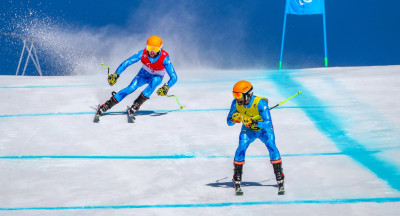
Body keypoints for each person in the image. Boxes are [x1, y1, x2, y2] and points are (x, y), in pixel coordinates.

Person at [96, 35, 177, 116]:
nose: (152, 51)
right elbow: (127, 62)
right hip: (143, 74)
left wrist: (167, 86)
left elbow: (174, 77)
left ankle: (137, 104)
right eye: (149, 48)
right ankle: (108, 104)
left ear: (160, 49)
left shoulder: (164, 58)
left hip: (157, 76)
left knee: (155, 82)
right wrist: (116, 74)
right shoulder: (143, 53)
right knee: (131, 88)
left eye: (155, 49)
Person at [226, 80, 284, 191]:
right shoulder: (235, 103)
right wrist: (234, 119)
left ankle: (279, 174)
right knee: (241, 148)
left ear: (247, 94)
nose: (237, 98)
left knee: (271, 146)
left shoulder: (260, 103)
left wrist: (254, 123)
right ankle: (237, 175)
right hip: (248, 130)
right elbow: (229, 122)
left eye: (238, 95)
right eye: (235, 95)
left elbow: (269, 123)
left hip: (264, 130)